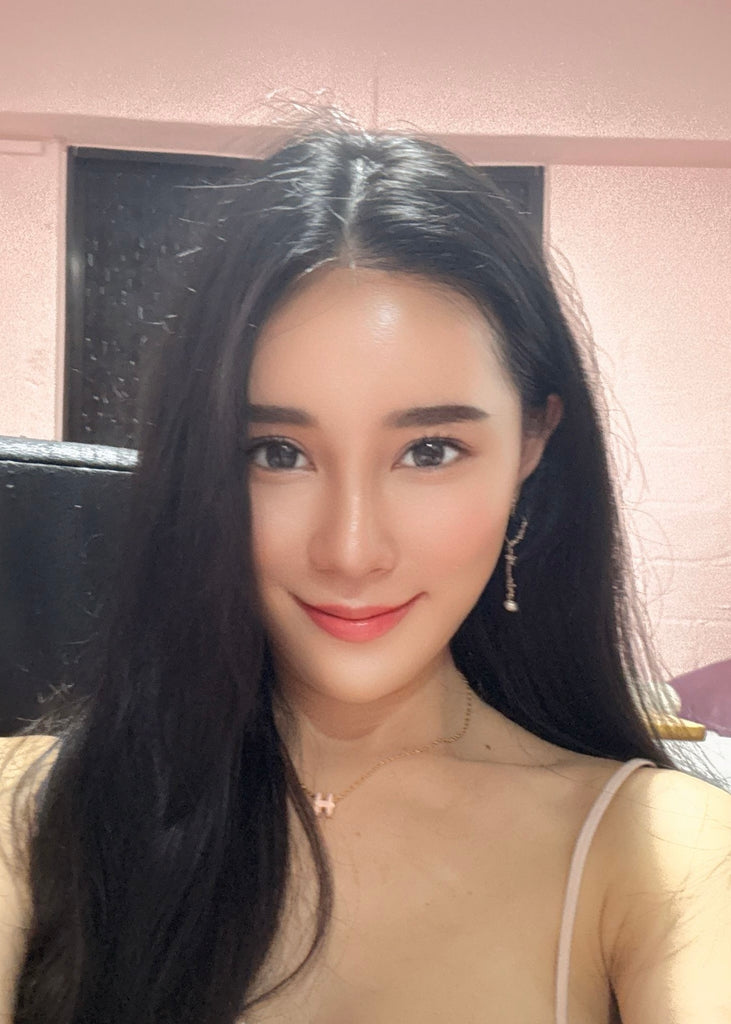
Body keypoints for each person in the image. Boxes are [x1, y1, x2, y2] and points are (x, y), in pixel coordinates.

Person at [1, 123, 729, 1024]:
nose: (350, 551)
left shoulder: (659, 853)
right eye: (276, 452)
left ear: (532, 443)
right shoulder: (31, 818)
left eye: (429, 450)